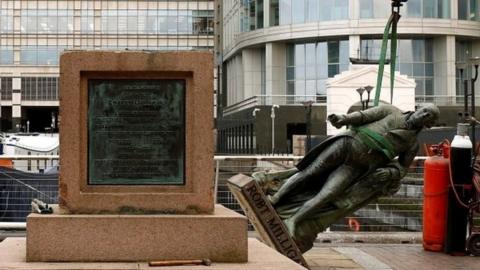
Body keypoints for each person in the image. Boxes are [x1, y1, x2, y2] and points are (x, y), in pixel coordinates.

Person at [254, 103, 439, 252]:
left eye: (428, 116)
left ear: (429, 124)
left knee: (328, 194)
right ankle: (275, 199)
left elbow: (402, 168)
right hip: (348, 144)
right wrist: (344, 119)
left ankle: (293, 220)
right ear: (417, 109)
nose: (423, 116)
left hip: (357, 167)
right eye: (424, 111)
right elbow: (364, 116)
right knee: (310, 172)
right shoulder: (391, 111)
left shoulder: (412, 145)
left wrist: (391, 172)